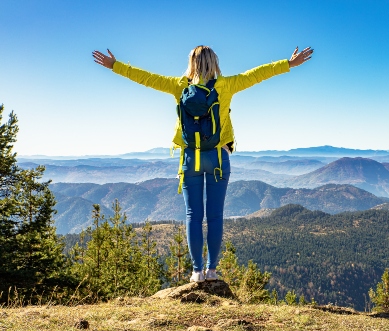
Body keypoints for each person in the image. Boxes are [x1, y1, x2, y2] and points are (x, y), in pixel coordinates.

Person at [92, 45, 313, 282]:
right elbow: (257, 74)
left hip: (190, 159)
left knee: (193, 216)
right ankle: (212, 270)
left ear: (192, 63)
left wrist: (115, 66)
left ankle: (197, 272)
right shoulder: (226, 85)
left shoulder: (180, 86)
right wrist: (288, 64)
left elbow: (147, 78)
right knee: (215, 216)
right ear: (214, 62)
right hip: (218, 158)